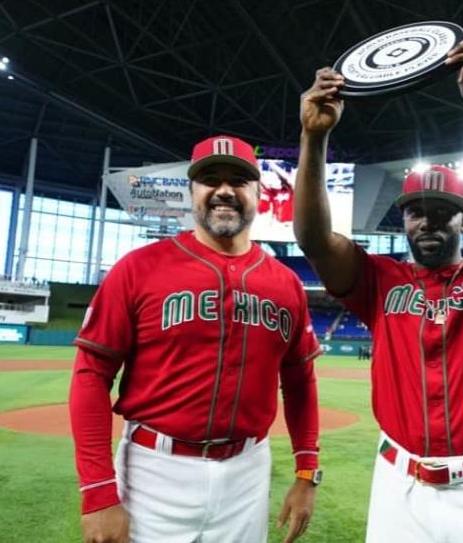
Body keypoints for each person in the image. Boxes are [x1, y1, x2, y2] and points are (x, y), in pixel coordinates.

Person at [295, 36, 463, 542]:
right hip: (399, 484)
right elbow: (313, 239)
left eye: (442, 211)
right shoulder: (377, 281)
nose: (427, 222)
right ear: (403, 220)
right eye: (415, 211)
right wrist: (314, 139)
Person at [70, 135, 323, 543]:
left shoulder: (286, 284)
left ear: (258, 192)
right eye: (209, 179)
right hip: (155, 471)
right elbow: (90, 373)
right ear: (192, 192)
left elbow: (300, 382)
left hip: (248, 471)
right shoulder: (138, 269)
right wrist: (99, 492)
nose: (224, 190)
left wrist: (307, 471)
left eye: (239, 180)